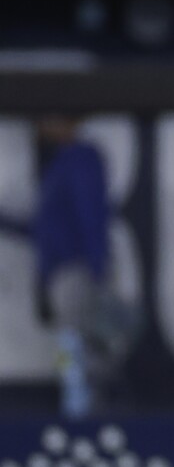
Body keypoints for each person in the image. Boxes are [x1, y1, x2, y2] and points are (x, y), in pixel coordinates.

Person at [0, 114, 126, 419]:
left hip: (78, 269)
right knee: (73, 340)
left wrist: (98, 271)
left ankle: (81, 407)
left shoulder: (81, 158)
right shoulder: (59, 165)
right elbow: (46, 228)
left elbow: (90, 216)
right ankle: (79, 402)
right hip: (63, 272)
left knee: (77, 341)